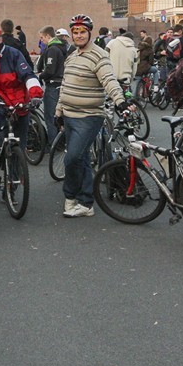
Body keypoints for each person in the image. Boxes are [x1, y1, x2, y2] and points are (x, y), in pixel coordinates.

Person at [55, 15, 130, 218]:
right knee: (82, 159)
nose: (78, 35)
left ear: (90, 32)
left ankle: (71, 197)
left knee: (72, 159)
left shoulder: (99, 55)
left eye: (82, 32)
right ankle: (86, 202)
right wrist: (59, 113)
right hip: (69, 116)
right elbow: (66, 86)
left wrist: (120, 101)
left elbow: (109, 80)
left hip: (89, 117)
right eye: (75, 32)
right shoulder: (72, 55)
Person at [0, 25, 43, 161]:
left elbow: (28, 76)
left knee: (18, 150)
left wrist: (35, 95)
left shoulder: (14, 55)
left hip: (20, 105)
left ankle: (15, 179)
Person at [36, 25, 72, 146]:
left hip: (53, 86)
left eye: (42, 38)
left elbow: (50, 70)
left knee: (50, 116)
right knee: (61, 115)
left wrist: (41, 76)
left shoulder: (52, 49)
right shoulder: (63, 47)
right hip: (62, 84)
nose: (41, 40)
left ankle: (53, 144)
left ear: (48, 36)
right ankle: (63, 141)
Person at [135, 30, 158, 95]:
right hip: (145, 67)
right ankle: (156, 85)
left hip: (137, 68)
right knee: (155, 70)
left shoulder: (138, 48)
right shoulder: (149, 50)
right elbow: (151, 62)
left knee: (137, 81)